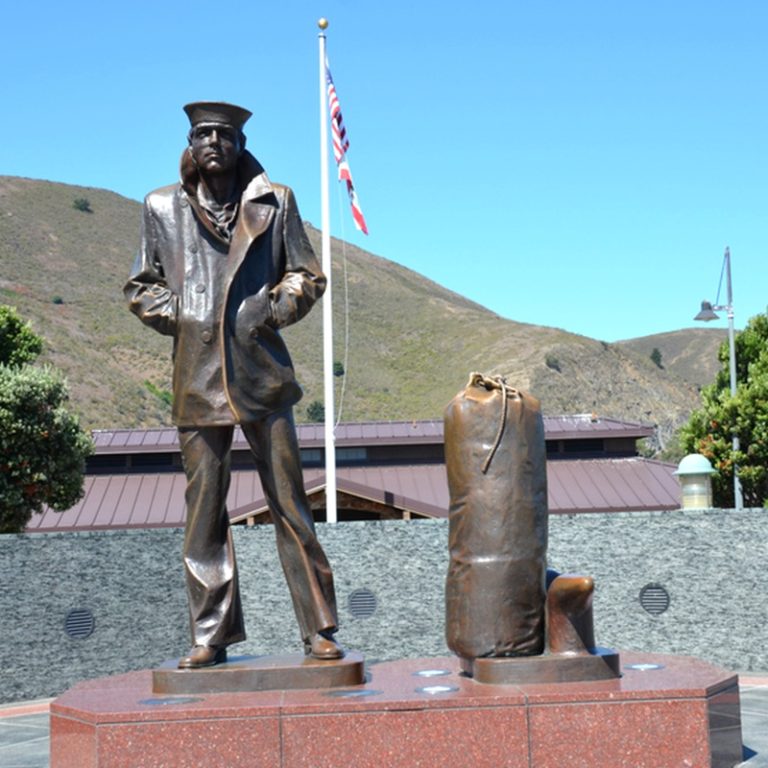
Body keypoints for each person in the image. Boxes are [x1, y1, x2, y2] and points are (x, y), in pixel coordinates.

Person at [124, 101, 342, 668]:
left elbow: (307, 273)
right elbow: (140, 285)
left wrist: (272, 307)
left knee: (291, 505)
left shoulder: (276, 202)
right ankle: (209, 635)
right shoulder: (160, 207)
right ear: (190, 143)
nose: (213, 142)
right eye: (203, 134)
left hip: (262, 375)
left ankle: (318, 628)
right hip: (197, 379)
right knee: (205, 516)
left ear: (241, 143)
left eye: (224, 134)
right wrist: (186, 314)